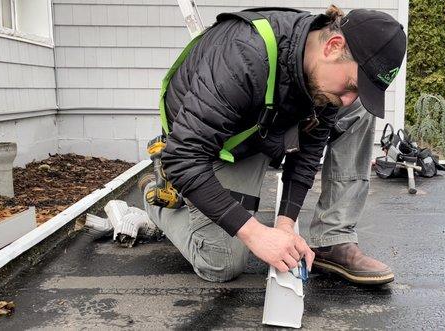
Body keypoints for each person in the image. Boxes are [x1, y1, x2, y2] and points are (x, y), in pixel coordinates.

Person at [141, 5, 406, 284]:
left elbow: (310, 149)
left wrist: (285, 225)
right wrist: (256, 234)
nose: (350, 98)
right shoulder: (242, 55)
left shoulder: (321, 71)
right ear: (333, 46)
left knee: (357, 110)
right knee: (222, 262)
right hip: (208, 147)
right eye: (352, 85)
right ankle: (155, 194)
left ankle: (333, 238)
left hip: (262, 129)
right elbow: (184, 156)